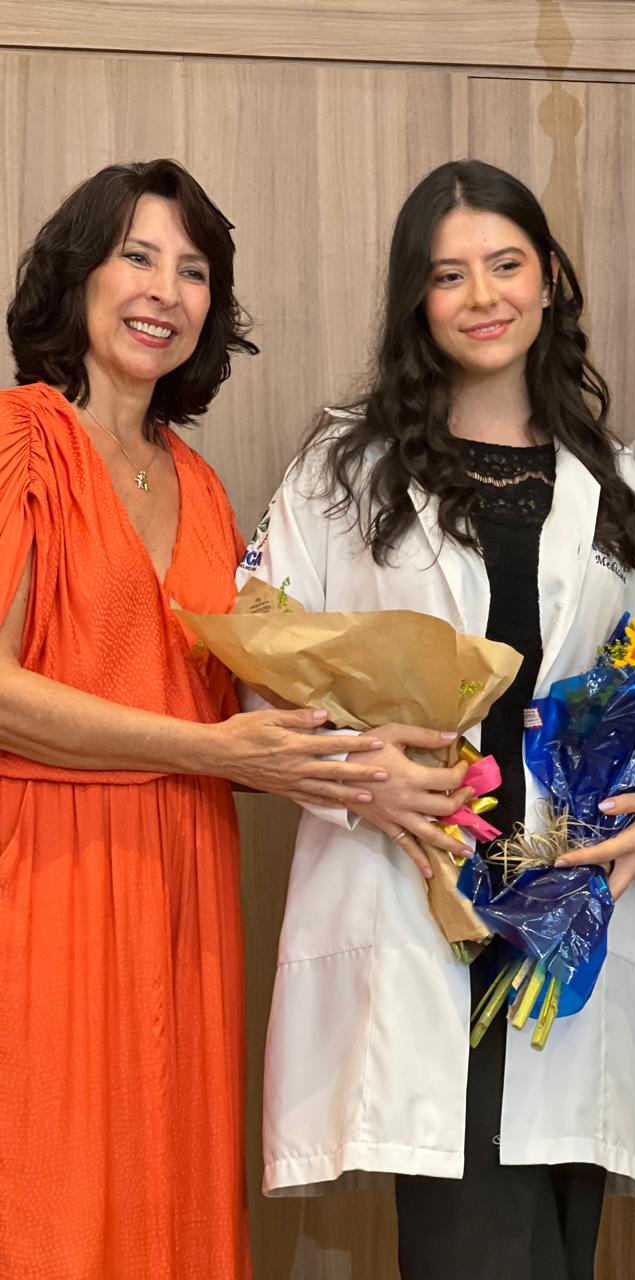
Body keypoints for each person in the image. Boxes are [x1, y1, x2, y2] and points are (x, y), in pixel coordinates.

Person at [240, 158, 635, 1280]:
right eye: (448, 274)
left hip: (572, 900)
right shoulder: (344, 469)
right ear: (416, 298)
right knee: (476, 1237)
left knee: (556, 1243)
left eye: (505, 264)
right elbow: (262, 670)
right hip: (426, 896)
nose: (482, 296)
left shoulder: (624, 486)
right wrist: (358, 770)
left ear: (549, 276)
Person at [0, 158, 393, 1279]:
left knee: (170, 1194)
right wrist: (205, 749)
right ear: (79, 275)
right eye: (137, 256)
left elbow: (246, 703)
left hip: (187, 883)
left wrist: (388, 750)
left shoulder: (206, 488)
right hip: (46, 875)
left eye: (193, 270)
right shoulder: (20, 440)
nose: (163, 291)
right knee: (48, 1200)